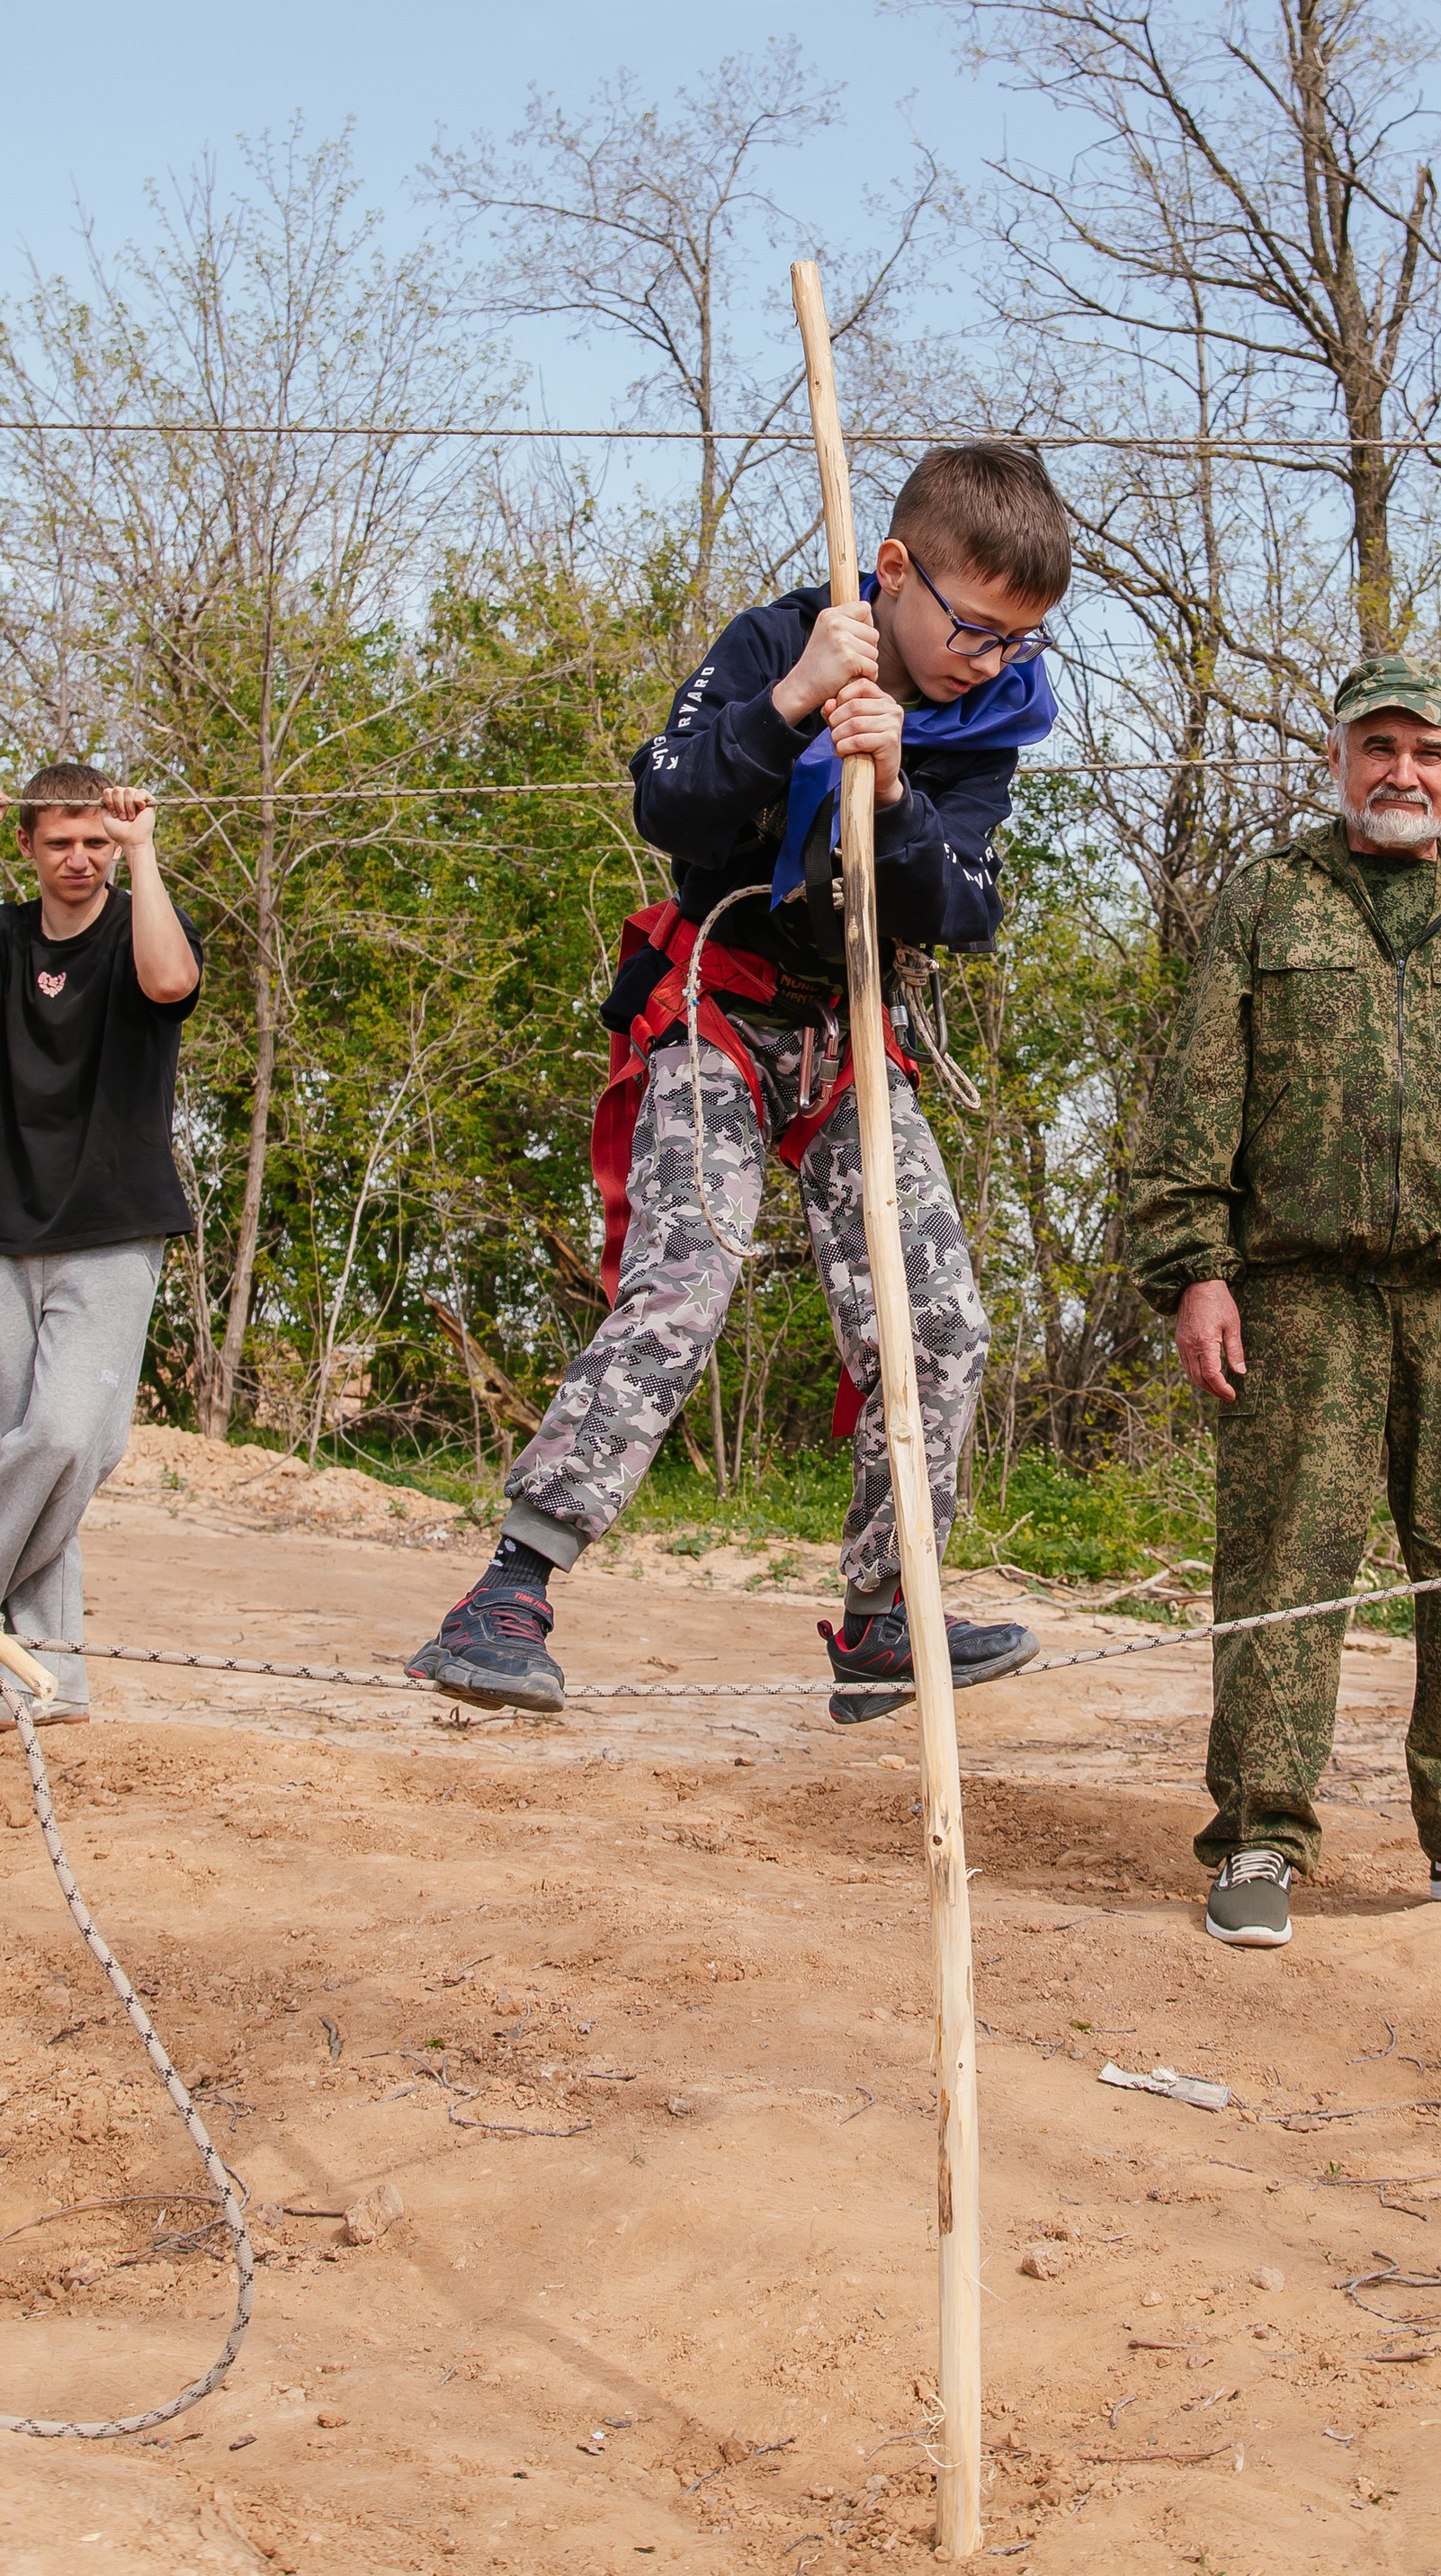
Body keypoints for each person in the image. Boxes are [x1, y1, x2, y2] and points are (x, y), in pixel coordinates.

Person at [409, 440, 1074, 1713]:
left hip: (854, 1035)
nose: (992, 662)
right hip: (717, 1009)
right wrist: (790, 711)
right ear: (893, 572)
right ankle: (509, 1590)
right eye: (978, 630)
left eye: (1019, 642)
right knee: (683, 1283)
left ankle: (887, 1617)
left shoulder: (984, 723)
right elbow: (672, 807)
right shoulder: (774, 645)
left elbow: (968, 906)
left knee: (941, 1323)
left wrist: (894, 802)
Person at [1127, 658, 1441, 1945]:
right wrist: (1197, 1269)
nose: (1404, 774)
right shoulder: (1268, 901)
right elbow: (1196, 1099)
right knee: (1285, 1566)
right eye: (1380, 747)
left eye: (1430, 752)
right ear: (1339, 759)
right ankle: (1258, 1840)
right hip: (1301, 1294)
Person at [0, 763, 203, 1730]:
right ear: (28, 845)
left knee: (67, 1439)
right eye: (60, 841)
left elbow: (171, 979)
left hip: (112, 1225)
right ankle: (25, 1674)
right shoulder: (2, 936)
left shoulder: (139, 922)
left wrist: (146, 855)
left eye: (95, 841)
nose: (79, 858)